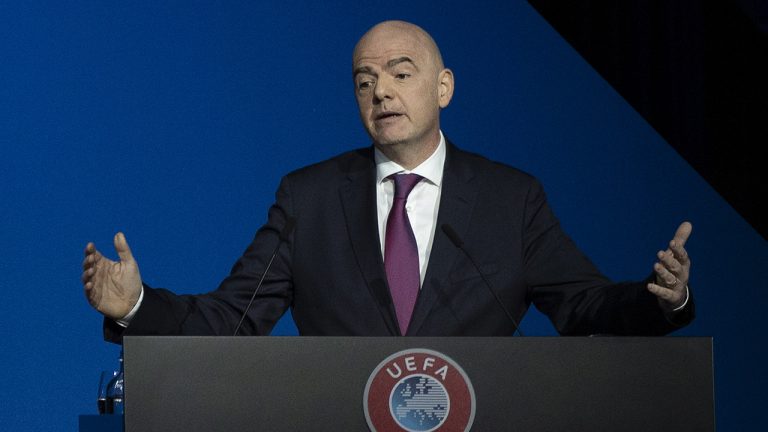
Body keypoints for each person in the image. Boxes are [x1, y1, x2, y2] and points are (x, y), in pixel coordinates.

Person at [81, 20, 693, 340]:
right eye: (364, 80)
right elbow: (234, 318)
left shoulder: (511, 198)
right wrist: (136, 305)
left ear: (443, 87)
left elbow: (582, 306)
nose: (381, 92)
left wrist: (659, 299)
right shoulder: (309, 198)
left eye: (401, 74)